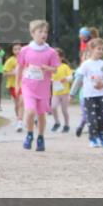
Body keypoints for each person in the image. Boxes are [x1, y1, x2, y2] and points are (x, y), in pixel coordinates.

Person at [16, 20, 60, 151]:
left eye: (45, 32)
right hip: (28, 86)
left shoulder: (51, 52)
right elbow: (20, 67)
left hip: (44, 88)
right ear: (32, 33)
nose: (43, 34)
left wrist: (48, 68)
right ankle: (29, 134)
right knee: (30, 111)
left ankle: (40, 137)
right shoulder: (25, 50)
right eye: (40, 31)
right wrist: (18, 83)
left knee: (41, 114)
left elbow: (56, 69)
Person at [71, 38, 103, 148]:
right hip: (89, 96)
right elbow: (78, 79)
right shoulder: (86, 64)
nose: (101, 51)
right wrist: (72, 93)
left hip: (101, 95)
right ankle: (93, 139)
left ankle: (101, 135)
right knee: (92, 119)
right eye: (98, 49)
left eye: (102, 49)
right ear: (91, 49)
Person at [50, 48, 74, 133]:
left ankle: (66, 125)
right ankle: (57, 122)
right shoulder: (51, 68)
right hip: (55, 92)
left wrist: (66, 79)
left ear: (61, 57)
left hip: (65, 92)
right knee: (53, 107)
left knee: (64, 110)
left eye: (57, 56)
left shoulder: (65, 67)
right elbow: (48, 77)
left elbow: (71, 77)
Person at [3, 42, 23, 132]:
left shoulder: (26, 59)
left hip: (25, 84)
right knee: (17, 104)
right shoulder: (11, 60)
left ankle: (20, 121)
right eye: (15, 49)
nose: (18, 51)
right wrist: (13, 72)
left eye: (19, 49)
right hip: (13, 85)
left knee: (22, 102)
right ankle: (18, 119)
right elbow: (4, 73)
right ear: (12, 51)